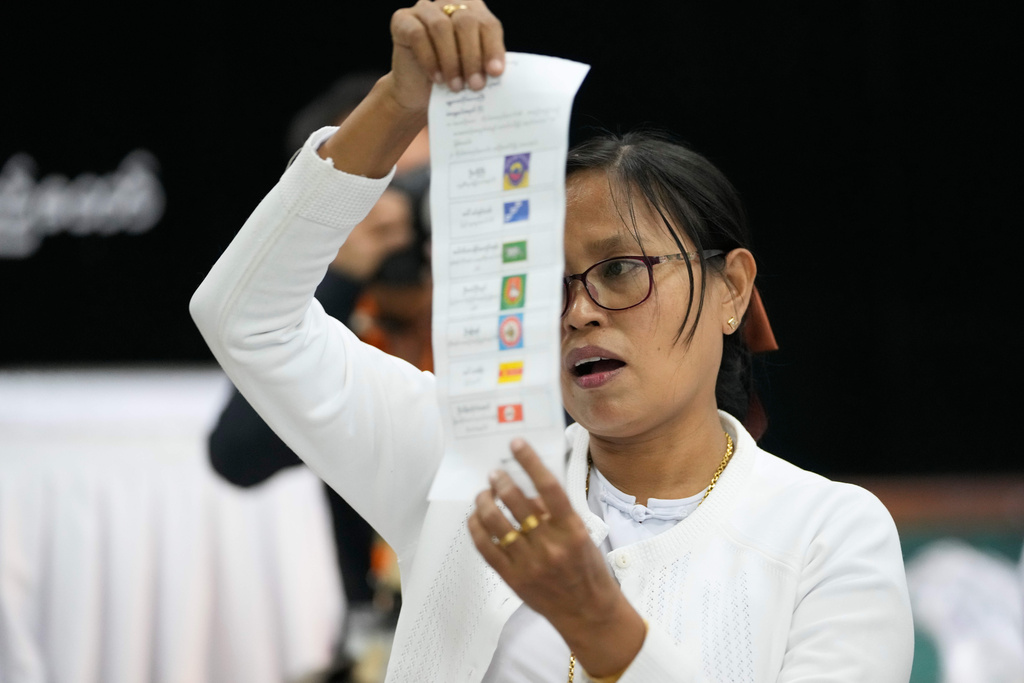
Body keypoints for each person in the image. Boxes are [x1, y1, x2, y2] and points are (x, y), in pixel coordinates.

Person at [191, 1, 914, 681]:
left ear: (733, 290)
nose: (579, 312)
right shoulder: (467, 467)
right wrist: (398, 103)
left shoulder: (829, 533)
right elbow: (247, 318)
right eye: (549, 281)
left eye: (621, 269)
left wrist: (599, 623)